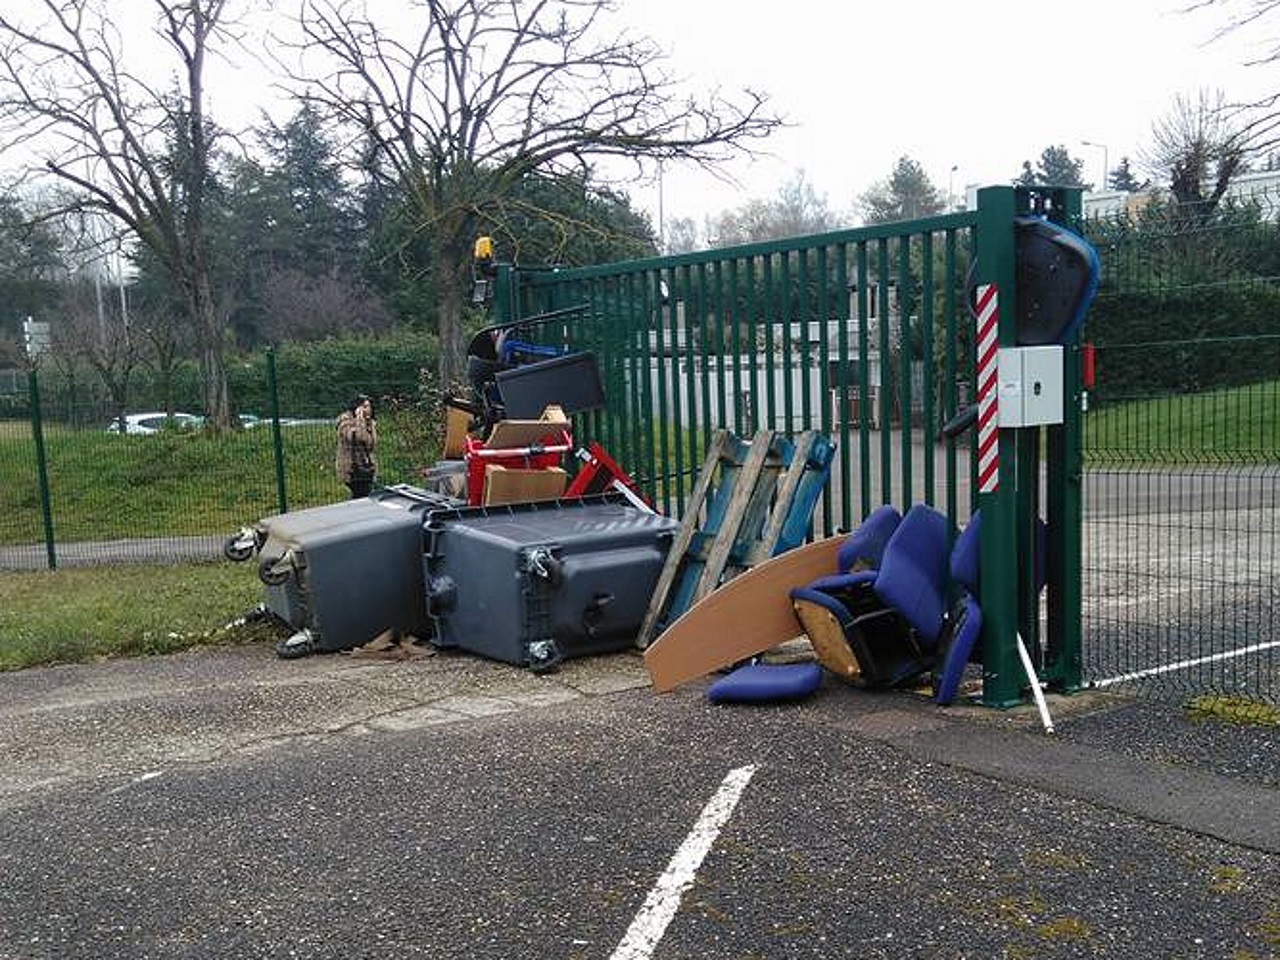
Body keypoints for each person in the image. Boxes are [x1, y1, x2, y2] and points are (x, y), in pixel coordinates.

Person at [335, 393, 377, 498]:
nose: (369, 409)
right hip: (352, 469)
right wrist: (360, 419)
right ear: (357, 408)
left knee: (365, 498)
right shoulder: (345, 422)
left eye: (369, 406)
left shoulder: (370, 422)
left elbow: (371, 444)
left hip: (367, 468)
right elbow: (357, 437)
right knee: (360, 498)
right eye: (365, 406)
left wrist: (369, 425)